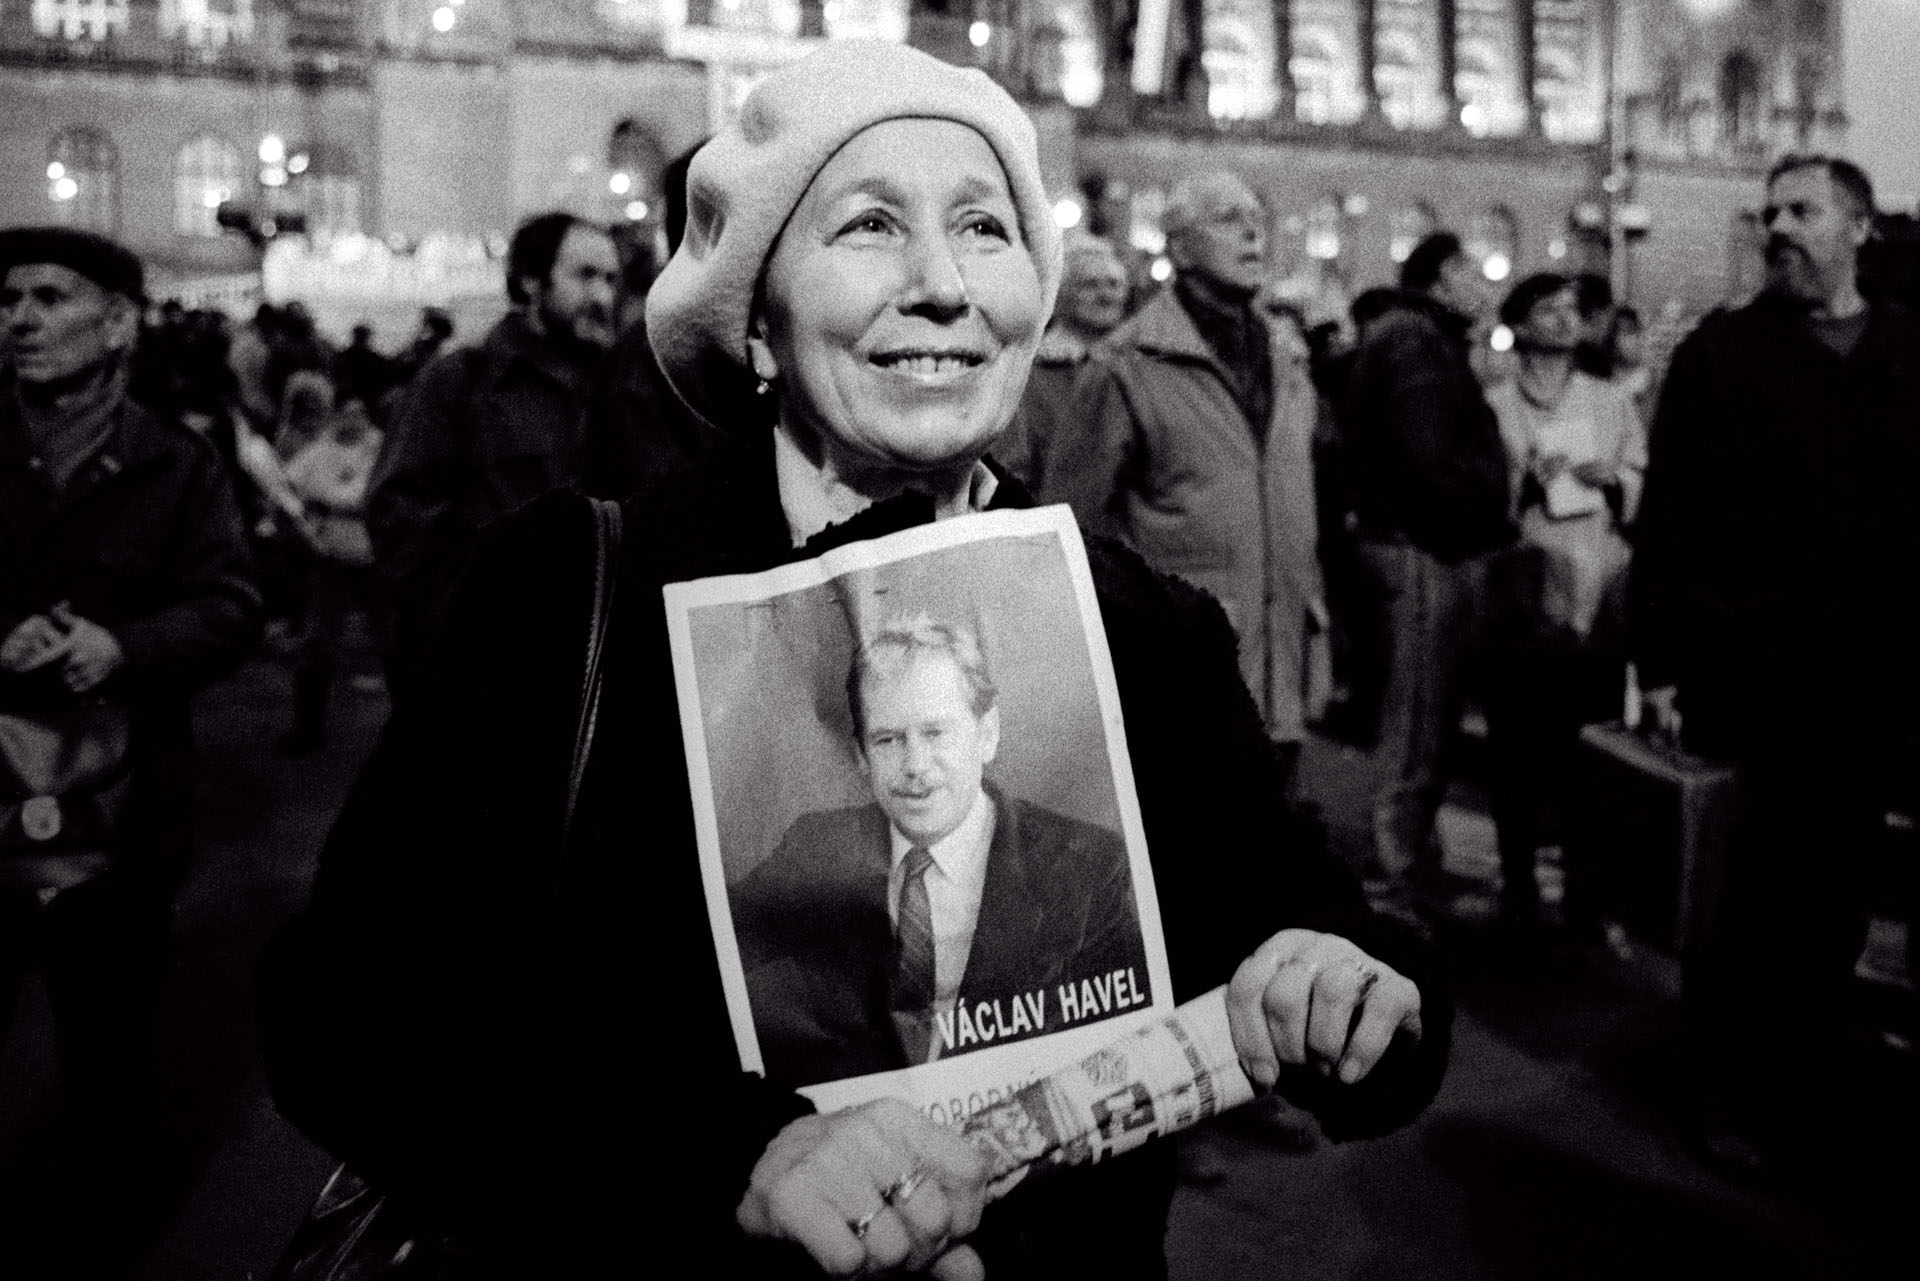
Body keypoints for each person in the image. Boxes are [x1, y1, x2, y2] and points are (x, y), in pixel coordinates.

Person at [259, 41, 1449, 1280]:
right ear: (758, 323)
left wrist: (1352, 992)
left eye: (985, 229)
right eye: (870, 225)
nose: (941, 283)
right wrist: (731, 1158)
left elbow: (1306, 921)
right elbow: (346, 1011)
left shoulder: (1137, 620)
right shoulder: (572, 593)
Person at [1629, 154, 1920, 1176]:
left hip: (1869, 680)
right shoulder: (1727, 352)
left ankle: (1810, 1070)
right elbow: (1669, 514)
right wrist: (1661, 660)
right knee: (1744, 900)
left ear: (1859, 227)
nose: (1780, 227)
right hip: (1749, 670)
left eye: (1804, 210)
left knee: (1834, 894)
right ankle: (1726, 1090)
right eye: (1771, 212)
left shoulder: (1903, 347)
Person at [0, 227, 259, 1268]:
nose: (19, 318)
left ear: (117, 324)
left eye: (50, 297)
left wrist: (125, 646)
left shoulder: (177, 464)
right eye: (9, 299)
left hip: (119, 820)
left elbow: (233, 603)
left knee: (106, 1061)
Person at [735, 614, 1148, 1081]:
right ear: (860, 758)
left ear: (986, 734)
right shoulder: (815, 847)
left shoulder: (1089, 869)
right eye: (888, 739)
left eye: (934, 733)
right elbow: (717, 951)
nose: (914, 765)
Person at [1050, 171, 1328, 786]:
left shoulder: (1287, 360)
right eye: (1228, 219)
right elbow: (1075, 529)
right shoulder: (1126, 365)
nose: (1254, 231)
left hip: (1282, 656)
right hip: (1186, 666)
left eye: (1257, 216)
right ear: (1178, 248)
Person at [366, 211, 619, 688]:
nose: (603, 296)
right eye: (584, 276)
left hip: (598, 672)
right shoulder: (461, 383)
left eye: (610, 278)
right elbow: (399, 517)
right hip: (492, 675)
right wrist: (472, 629)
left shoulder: (620, 388)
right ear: (529, 282)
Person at [1342, 231, 1515, 916]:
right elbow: (1427, 458)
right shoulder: (1416, 341)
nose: (1486, 283)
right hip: (1419, 544)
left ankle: (1413, 858)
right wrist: (1483, 514)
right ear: (1444, 277)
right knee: (1416, 713)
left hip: (1417, 539)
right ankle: (1397, 871)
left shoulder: (1416, 335)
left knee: (1423, 709)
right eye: (1475, 271)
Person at [1482, 273, 1645, 934]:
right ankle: (1518, 884)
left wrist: (1619, 481)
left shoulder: (1608, 403)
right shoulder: (1495, 405)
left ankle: (1585, 897)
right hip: (1524, 607)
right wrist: (1524, 481)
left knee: (1590, 757)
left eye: (1571, 310)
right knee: (1520, 753)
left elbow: (1640, 472)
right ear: (1518, 323)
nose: (1564, 320)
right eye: (1547, 309)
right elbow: (1481, 495)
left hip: (1597, 598)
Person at [997, 230, 1129, 491]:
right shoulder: (1030, 373)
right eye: (1090, 285)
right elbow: (1014, 473)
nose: (1105, 296)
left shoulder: (1142, 362)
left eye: (1114, 284)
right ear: (1059, 294)